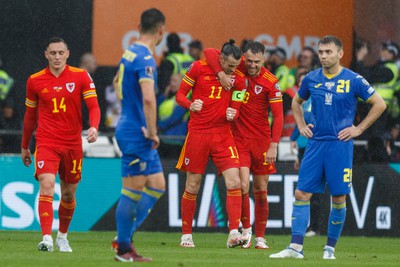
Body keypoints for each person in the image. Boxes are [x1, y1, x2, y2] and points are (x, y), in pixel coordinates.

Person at [269, 35, 386, 260]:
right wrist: (301, 125)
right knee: (301, 192)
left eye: (328, 52)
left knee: (338, 198)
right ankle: (295, 248)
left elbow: (379, 104)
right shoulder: (311, 78)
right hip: (315, 144)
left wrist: (358, 129)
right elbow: (296, 102)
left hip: (339, 146)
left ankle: (329, 249)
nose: (323, 56)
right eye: (321, 52)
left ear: (340, 54)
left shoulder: (354, 79)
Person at [21, 37, 101, 252]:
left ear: (68, 53)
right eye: (52, 53)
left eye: (60, 53)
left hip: (73, 143)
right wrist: (24, 145)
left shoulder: (81, 76)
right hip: (46, 142)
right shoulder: (35, 80)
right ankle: (46, 238)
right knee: (46, 184)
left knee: (68, 194)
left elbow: (93, 107)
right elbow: (29, 116)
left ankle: (62, 236)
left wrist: (93, 126)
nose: (57, 57)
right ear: (46, 54)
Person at [204, 40, 284, 249]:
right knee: (242, 185)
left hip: (262, 142)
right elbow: (210, 51)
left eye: (256, 61)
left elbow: (278, 116)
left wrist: (274, 145)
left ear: (264, 59)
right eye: (248, 60)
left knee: (261, 189)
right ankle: (246, 230)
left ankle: (260, 237)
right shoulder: (237, 68)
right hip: (238, 139)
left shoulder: (271, 82)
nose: (251, 65)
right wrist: (221, 74)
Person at [176, 39, 247, 249]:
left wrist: (234, 112)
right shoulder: (199, 67)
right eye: (229, 66)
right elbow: (180, 95)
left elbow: (237, 103)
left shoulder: (240, 79)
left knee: (234, 181)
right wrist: (191, 104)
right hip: (198, 134)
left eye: (236, 66)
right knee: (192, 185)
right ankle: (186, 236)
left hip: (223, 135)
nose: (233, 70)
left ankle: (233, 233)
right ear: (221, 59)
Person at [113, 8, 166, 262]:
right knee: (131, 191)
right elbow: (148, 99)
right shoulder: (146, 58)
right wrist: (152, 130)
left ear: (138, 27)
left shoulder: (129, 52)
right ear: (161, 31)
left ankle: (125, 234)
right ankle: (123, 249)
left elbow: (116, 82)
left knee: (157, 185)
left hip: (129, 124)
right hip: (138, 131)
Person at [157, 73, 188, 157]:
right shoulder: (169, 98)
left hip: (176, 140)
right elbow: (155, 107)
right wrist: (164, 95)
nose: (171, 83)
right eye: (170, 80)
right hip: (164, 138)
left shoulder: (185, 99)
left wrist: (158, 126)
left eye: (174, 81)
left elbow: (175, 117)